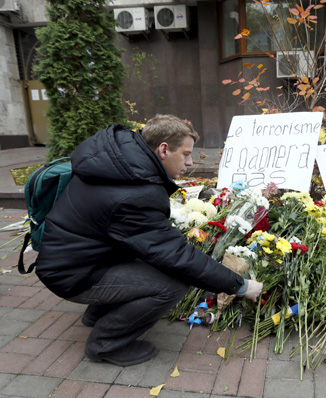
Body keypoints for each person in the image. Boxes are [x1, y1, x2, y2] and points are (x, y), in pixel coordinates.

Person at [35, 114, 262, 366]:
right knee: (171, 287)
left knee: (154, 264)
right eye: (186, 154)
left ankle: (98, 314)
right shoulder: (134, 193)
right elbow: (176, 256)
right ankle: (105, 345)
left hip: (80, 256)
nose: (189, 162)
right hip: (72, 273)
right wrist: (241, 286)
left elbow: (154, 243)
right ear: (163, 149)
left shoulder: (119, 162)